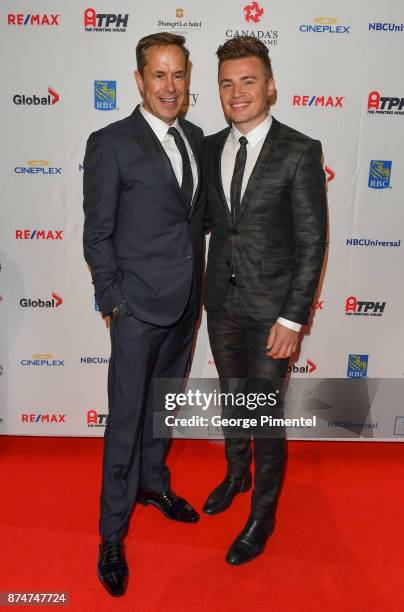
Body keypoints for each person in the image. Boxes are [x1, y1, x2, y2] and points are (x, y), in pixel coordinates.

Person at [83, 32, 205, 596]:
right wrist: (114, 301)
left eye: (178, 74)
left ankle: (154, 484)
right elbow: (97, 234)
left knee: (163, 406)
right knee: (126, 419)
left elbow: (193, 220)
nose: (170, 86)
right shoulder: (110, 143)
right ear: (138, 79)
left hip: (185, 305)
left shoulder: (197, 138)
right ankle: (111, 534)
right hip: (135, 310)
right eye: (158, 74)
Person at [203, 36, 327, 565]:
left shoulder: (300, 149)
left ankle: (263, 513)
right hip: (221, 305)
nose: (237, 93)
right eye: (227, 83)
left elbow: (312, 242)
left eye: (248, 81)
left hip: (272, 313)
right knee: (234, 399)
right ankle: (236, 474)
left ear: (270, 86)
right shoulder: (210, 147)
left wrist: (293, 318)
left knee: (264, 412)